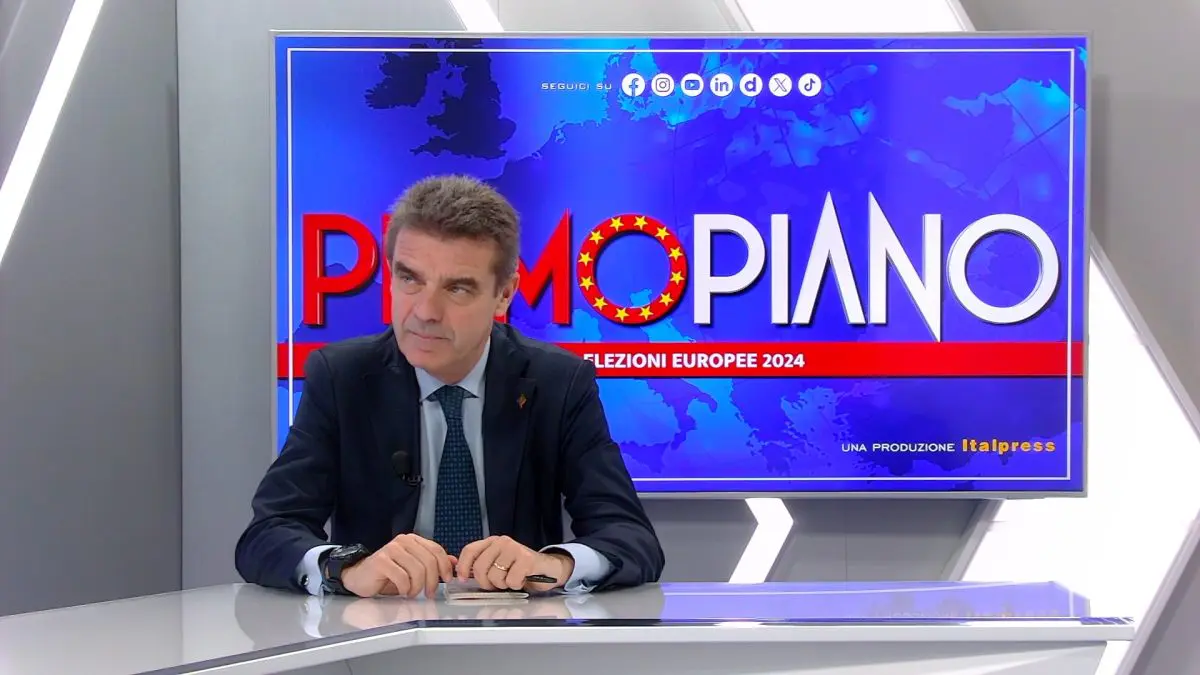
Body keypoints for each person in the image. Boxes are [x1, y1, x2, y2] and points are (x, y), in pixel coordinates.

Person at [235, 175, 664, 598]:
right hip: (380, 629)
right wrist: (347, 567)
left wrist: (553, 565)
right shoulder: (342, 377)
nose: (425, 312)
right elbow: (266, 534)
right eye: (410, 279)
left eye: (457, 288)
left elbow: (630, 537)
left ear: (504, 294)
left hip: (516, 630)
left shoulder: (559, 383)